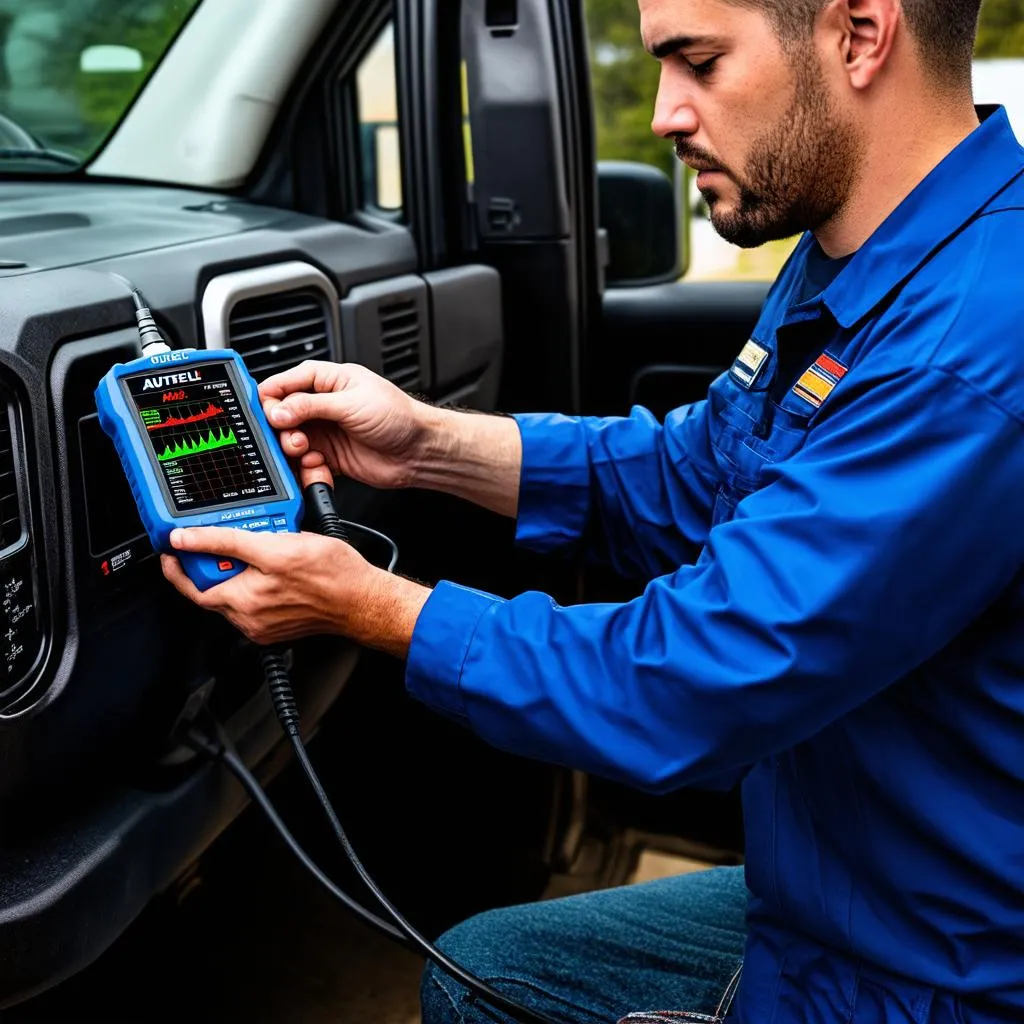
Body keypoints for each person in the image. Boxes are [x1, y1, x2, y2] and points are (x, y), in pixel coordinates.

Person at [162, 0, 1024, 1019]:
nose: (664, 111)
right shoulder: (865, 250)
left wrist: (365, 605)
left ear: (859, 33)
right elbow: (695, 474)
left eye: (697, 61)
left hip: (933, 966)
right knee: (490, 960)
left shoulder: (967, 343)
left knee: (482, 985)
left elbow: (687, 680)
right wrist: (427, 442)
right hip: (842, 883)